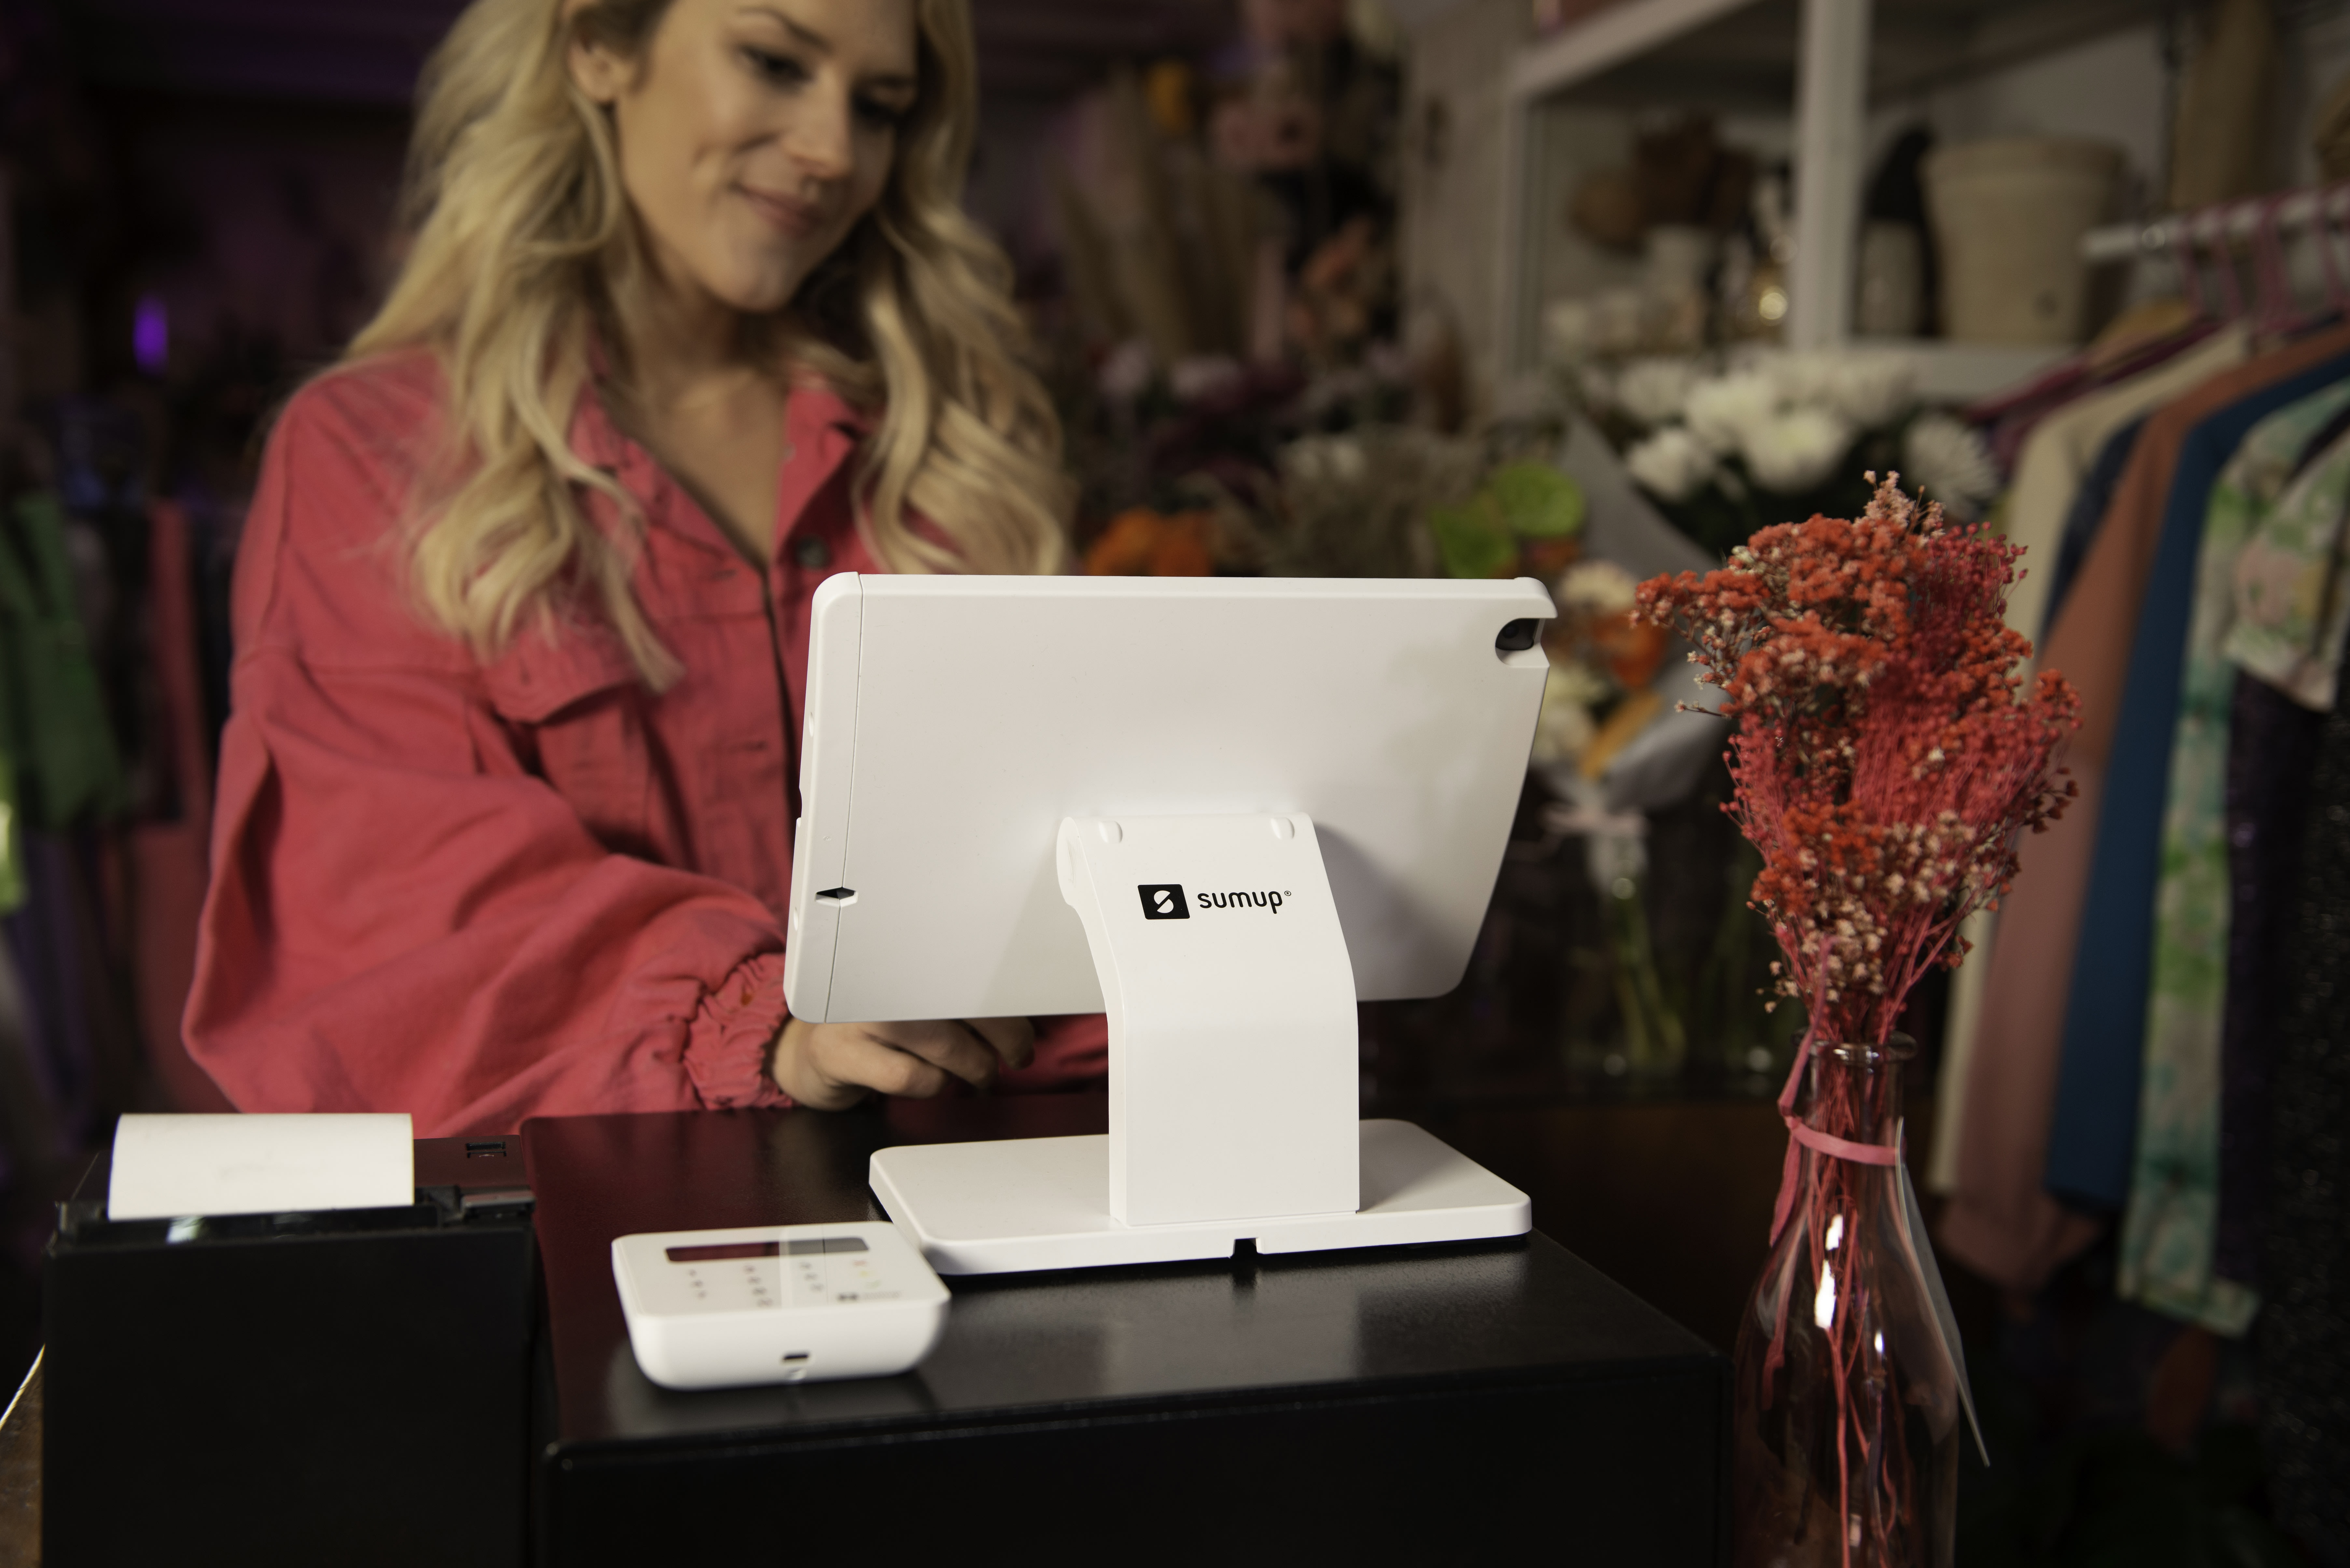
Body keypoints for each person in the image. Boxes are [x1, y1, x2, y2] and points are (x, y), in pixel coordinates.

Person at [185, 0, 1106, 1134]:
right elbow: (397, 902)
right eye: (773, 63)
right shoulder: (374, 456)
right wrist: (764, 1017)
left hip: (979, 1211)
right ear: (599, 46)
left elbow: (1085, 856)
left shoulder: (952, 453)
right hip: (581, 1252)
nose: (831, 152)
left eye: (880, 108)